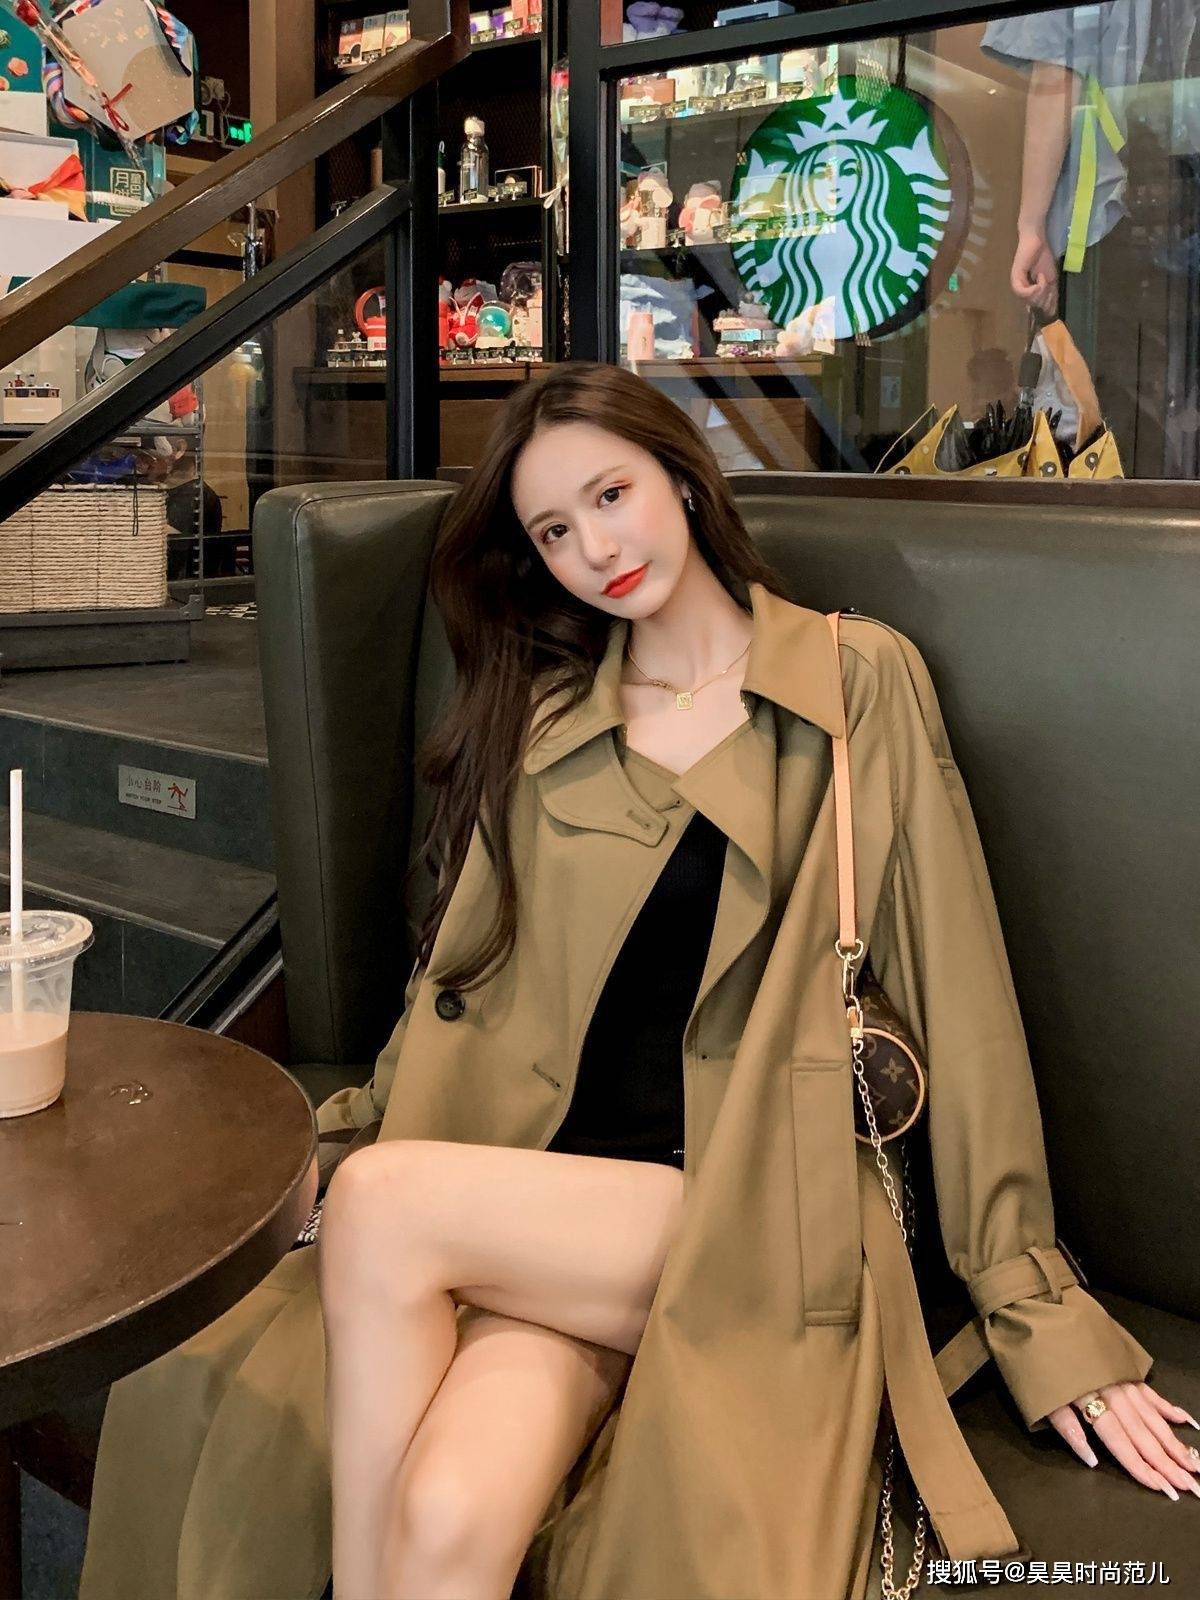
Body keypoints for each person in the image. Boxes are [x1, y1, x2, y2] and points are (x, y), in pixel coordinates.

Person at [78, 362, 1196, 1600]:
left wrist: (1037, 1310)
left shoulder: (849, 682)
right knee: (446, 1512)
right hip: (549, 1214)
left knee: (385, 1203)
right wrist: (354, 1133)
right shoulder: (551, 715)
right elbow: (468, 983)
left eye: (611, 495)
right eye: (554, 531)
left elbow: (961, 990)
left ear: (683, 475)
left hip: (746, 1205)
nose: (595, 549)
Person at [983, 0, 1200, 474]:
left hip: (1107, 237)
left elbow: (1055, 75)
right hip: (1145, 228)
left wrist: (1031, 228)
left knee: (1104, 439)